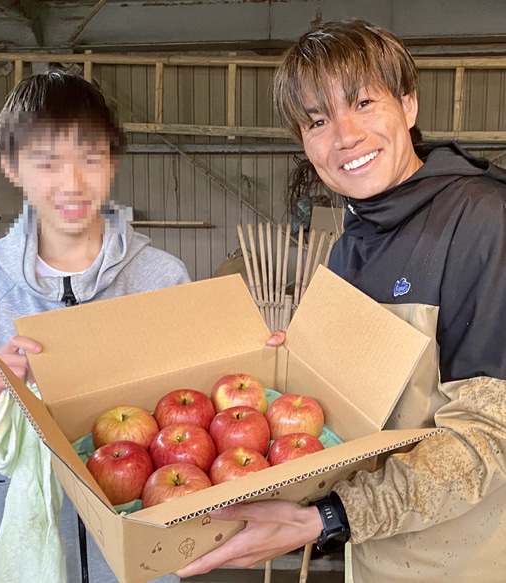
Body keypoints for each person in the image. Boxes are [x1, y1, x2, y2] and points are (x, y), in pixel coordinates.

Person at [177, 20, 506, 582]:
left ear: (408, 104)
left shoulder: (482, 220)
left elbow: (488, 436)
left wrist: (325, 518)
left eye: (363, 102)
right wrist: (291, 375)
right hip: (374, 561)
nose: (344, 136)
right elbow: (360, 423)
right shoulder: (352, 242)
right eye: (318, 120)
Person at [0, 69, 188, 583]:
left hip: (139, 565)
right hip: (12, 563)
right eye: (46, 162)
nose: (71, 182)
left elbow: (191, 422)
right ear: (11, 166)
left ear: (112, 162)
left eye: (90, 158)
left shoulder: (162, 279)